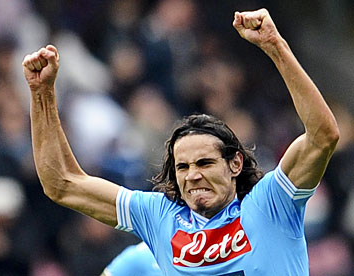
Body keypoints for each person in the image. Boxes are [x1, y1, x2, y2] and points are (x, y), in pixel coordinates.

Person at [22, 8, 339, 275]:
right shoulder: (159, 216)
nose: (192, 175)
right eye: (182, 166)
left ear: (235, 163)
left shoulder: (272, 202)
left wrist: (275, 46)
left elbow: (322, 136)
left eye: (204, 162)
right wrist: (42, 94)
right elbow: (62, 183)